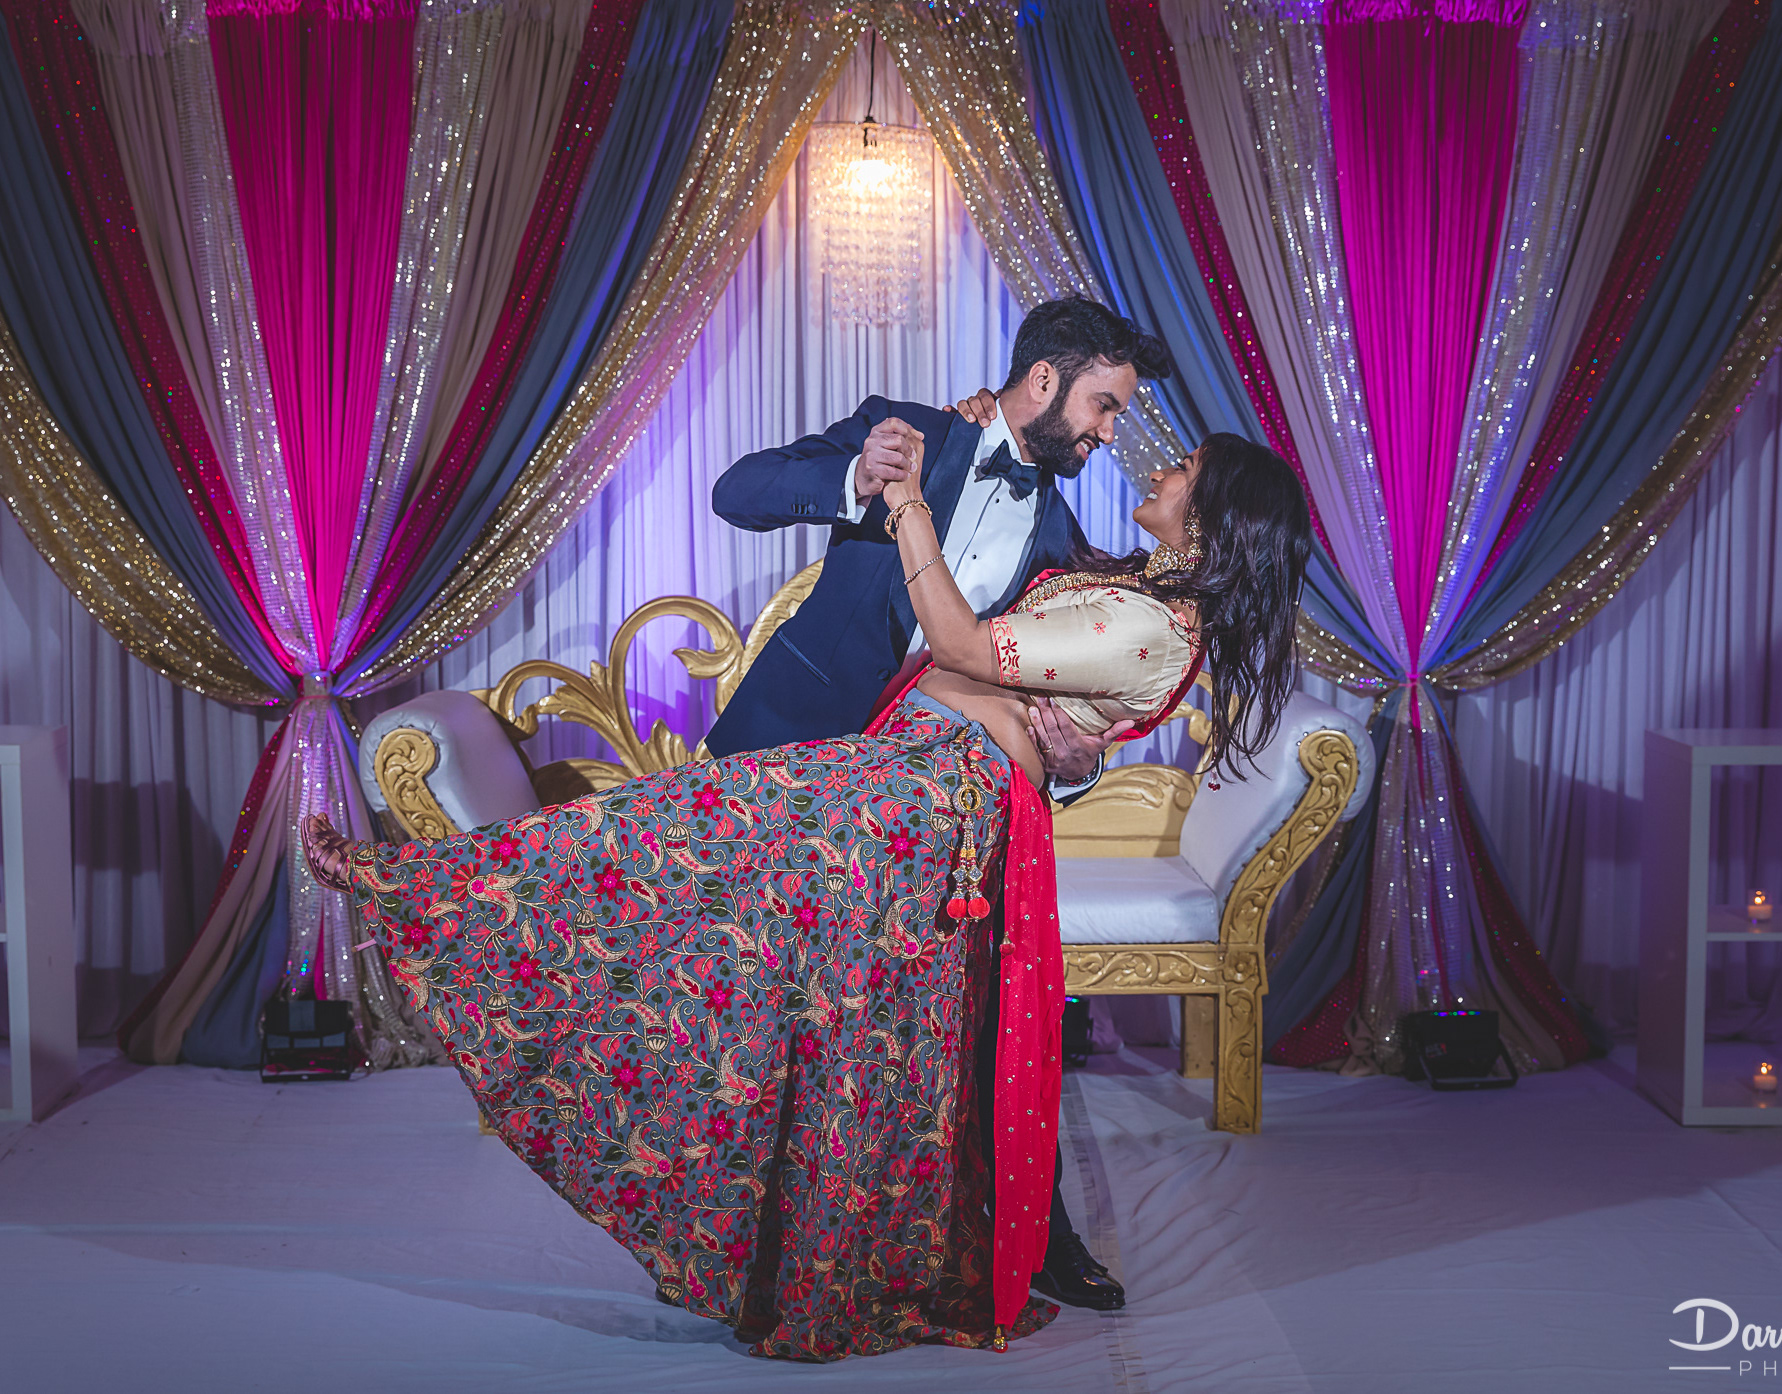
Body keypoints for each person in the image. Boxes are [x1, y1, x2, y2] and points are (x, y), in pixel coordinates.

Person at [303, 428, 1313, 1362]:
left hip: (924, 803)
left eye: (1184, 468)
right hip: (907, 780)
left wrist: (911, 508)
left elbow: (967, 647)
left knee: (695, 842)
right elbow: (979, 652)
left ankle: (420, 884)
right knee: (809, 999)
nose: (1150, 461)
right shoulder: (1114, 570)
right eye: (1111, 406)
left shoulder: (1154, 625)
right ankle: (794, 1258)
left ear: (1216, 518)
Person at [706, 296, 1174, 1310]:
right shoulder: (909, 432)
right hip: (795, 768)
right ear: (1045, 380)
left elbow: (1060, 693)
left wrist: (1077, 761)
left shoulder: (1059, 531)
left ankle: (1036, 1237)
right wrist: (853, 476)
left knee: (979, 1019)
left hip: (923, 821)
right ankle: (737, 1249)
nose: (1107, 432)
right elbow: (735, 490)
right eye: (1104, 405)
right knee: (760, 1025)